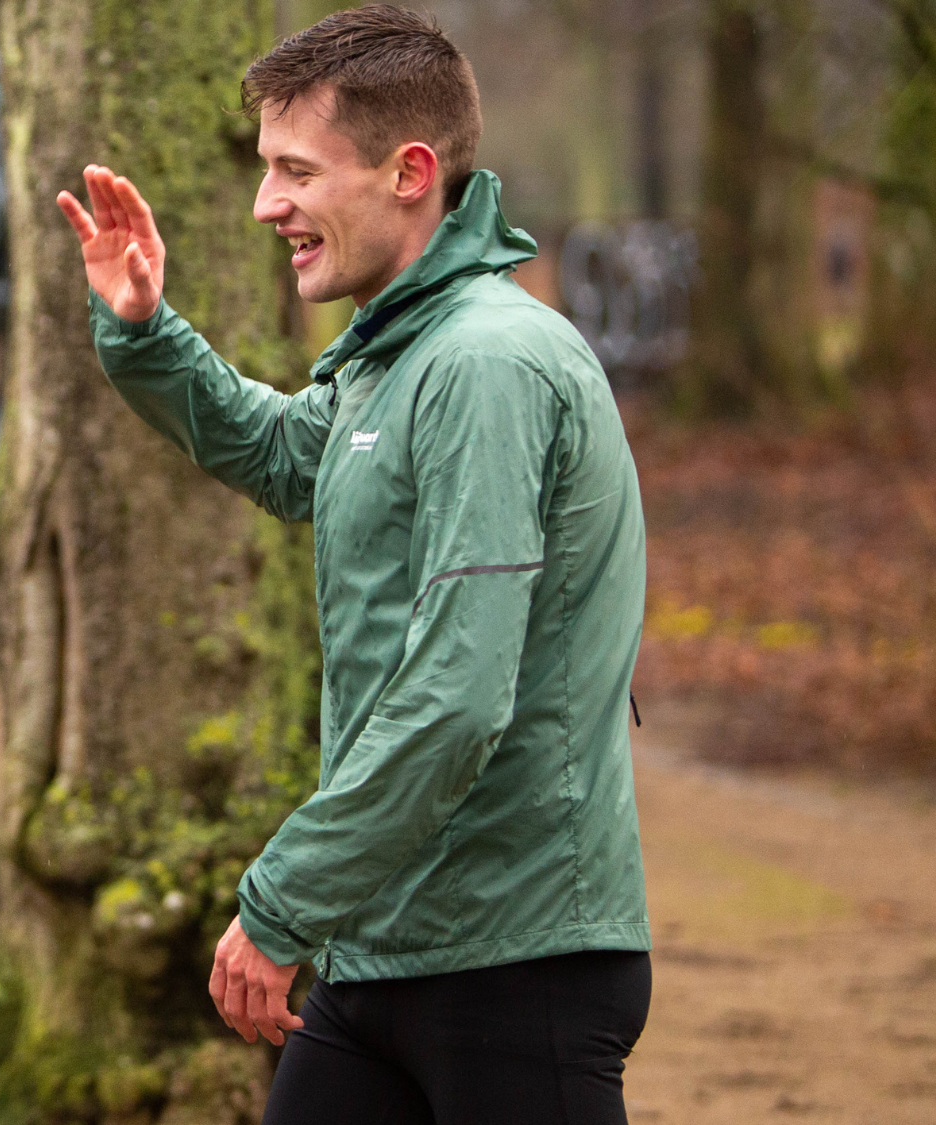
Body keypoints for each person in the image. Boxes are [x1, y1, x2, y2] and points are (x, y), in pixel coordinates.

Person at [57, 7, 650, 1123]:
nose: (263, 205)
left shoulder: (484, 362)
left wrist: (281, 903)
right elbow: (294, 457)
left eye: (293, 170)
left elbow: (459, 695)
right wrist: (144, 330)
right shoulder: (400, 348)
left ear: (408, 173)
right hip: (382, 945)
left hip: (512, 959)